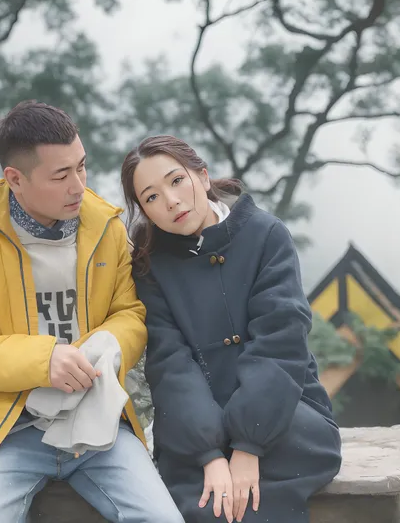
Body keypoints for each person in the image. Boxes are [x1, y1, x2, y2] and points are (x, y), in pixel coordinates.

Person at [0, 101, 184, 523]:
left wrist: (107, 344)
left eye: (81, 167)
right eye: (61, 175)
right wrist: (42, 361)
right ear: (15, 179)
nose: (78, 186)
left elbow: (130, 313)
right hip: (2, 433)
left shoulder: (107, 227)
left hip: (101, 425)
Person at [119, 135, 342, 523]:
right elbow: (170, 363)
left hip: (284, 412)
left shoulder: (266, 235)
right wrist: (208, 454)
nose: (170, 201)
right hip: (192, 425)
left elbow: (280, 342)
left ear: (202, 177)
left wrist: (248, 445)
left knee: (253, 500)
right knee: (206, 504)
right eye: (150, 197)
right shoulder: (149, 264)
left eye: (176, 181)